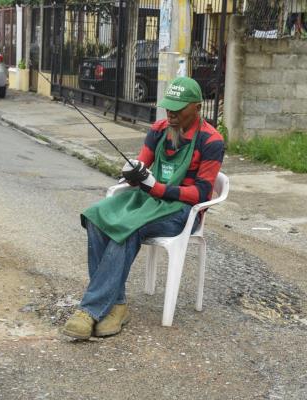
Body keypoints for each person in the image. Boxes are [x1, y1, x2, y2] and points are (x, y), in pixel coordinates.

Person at [62, 76, 224, 340]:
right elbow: (142, 162)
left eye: (178, 108)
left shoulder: (211, 141)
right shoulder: (159, 129)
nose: (171, 113)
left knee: (127, 228)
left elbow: (200, 193)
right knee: (96, 217)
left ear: (196, 107)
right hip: (149, 201)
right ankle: (117, 305)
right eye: (168, 106)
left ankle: (90, 311)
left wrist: (157, 188)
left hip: (182, 212)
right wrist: (131, 172)